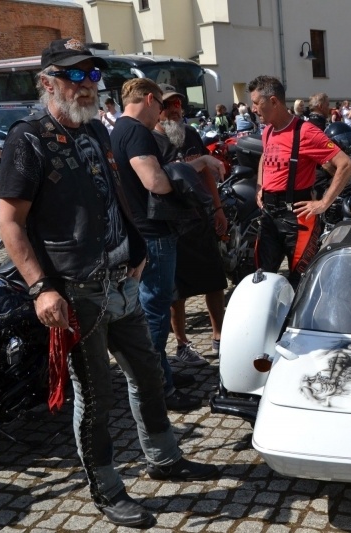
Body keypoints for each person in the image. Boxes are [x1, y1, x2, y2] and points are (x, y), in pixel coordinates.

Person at [0, 38, 218, 528]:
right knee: (96, 395)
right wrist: (41, 288)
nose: (86, 85)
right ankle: (106, 488)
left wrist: (137, 251)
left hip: (122, 282)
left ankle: (164, 458)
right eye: (74, 75)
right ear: (48, 82)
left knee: (148, 375)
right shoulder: (27, 138)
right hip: (76, 292)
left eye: (93, 75)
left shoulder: (97, 129)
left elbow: (118, 196)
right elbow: (10, 222)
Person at [111, 79, 225, 412]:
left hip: (141, 230)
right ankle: (160, 388)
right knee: (156, 312)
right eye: (159, 105)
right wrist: (189, 171)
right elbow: (156, 182)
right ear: (149, 99)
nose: (161, 112)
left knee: (154, 308)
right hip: (154, 233)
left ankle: (163, 374)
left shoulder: (117, 130)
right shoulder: (136, 131)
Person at [249, 75, 351, 287]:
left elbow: (346, 164)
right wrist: (261, 186)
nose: (252, 108)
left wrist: (323, 203)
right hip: (269, 215)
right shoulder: (268, 131)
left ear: (273, 101)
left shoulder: (306, 132)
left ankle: (297, 320)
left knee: (301, 282)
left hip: (297, 217)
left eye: (256, 102)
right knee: (263, 278)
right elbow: (264, 156)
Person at [153, 85, 228, 367]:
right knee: (177, 291)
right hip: (172, 223)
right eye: (169, 104)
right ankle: (182, 344)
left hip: (200, 217)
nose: (175, 109)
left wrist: (218, 208)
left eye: (178, 104)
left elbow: (208, 172)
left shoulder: (191, 134)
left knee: (214, 279)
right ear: (156, 108)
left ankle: (219, 335)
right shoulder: (150, 140)